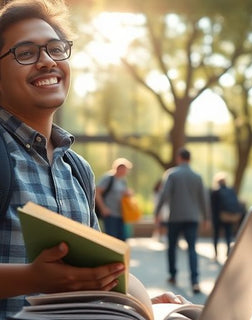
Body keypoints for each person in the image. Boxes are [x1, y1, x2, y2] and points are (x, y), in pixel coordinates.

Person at [0, 1, 186, 318]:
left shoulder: (77, 169)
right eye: (26, 53)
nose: (47, 62)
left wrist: (144, 304)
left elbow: (100, 271)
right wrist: (32, 278)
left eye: (55, 49)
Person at [154, 147, 209, 294]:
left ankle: (173, 275)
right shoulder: (197, 177)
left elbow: (164, 195)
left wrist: (157, 212)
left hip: (175, 217)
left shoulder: (172, 174)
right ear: (189, 159)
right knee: (192, 248)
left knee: (172, 246)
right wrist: (206, 217)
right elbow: (203, 199)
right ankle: (195, 281)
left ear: (179, 158)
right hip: (192, 217)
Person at [95, 157, 133, 241]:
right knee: (111, 239)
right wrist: (103, 208)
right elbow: (97, 192)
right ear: (118, 168)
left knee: (122, 239)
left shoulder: (123, 181)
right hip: (110, 214)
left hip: (122, 214)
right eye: (124, 169)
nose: (125, 171)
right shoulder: (108, 178)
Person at [210, 172, 242, 260]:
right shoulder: (231, 190)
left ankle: (216, 253)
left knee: (216, 235)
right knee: (228, 234)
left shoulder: (215, 191)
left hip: (218, 217)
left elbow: (212, 206)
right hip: (229, 216)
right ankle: (228, 252)